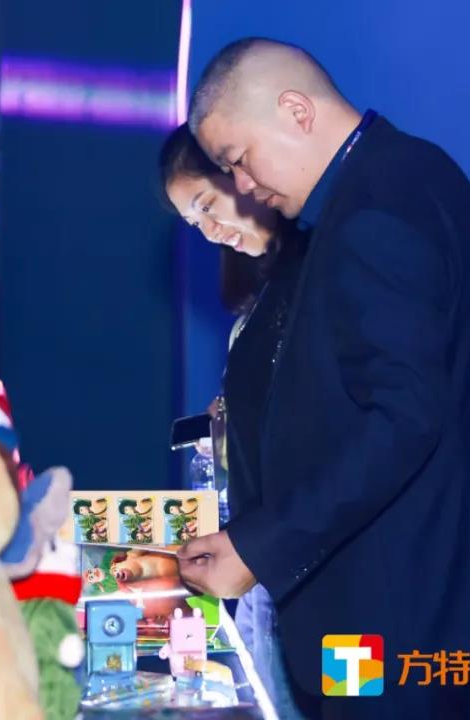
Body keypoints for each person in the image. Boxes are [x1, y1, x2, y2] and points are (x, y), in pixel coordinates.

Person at [177, 38, 470, 719]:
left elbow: (402, 419)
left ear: (296, 111)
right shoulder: (397, 174)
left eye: (238, 159)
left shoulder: (375, 211)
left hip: (402, 608)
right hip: (405, 590)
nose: (241, 186)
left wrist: (259, 546)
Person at [160, 122, 307, 720]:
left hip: (306, 552)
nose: (209, 230)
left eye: (206, 205)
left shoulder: (313, 283)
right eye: (193, 222)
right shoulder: (261, 299)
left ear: (242, 176)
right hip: (264, 546)